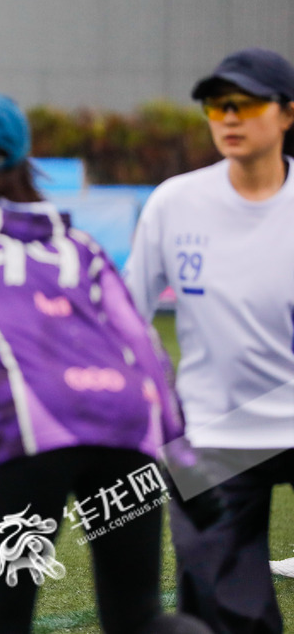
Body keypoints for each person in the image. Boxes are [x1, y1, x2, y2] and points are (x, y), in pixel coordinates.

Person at [0, 88, 211, 634]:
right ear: (26, 160)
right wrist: (186, 464)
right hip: (126, 429)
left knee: (3, 624)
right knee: (142, 617)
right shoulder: (77, 243)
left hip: (27, 433)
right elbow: (148, 353)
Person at [124, 47, 294, 632]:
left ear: (287, 114)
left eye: (244, 104)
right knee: (223, 613)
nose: (228, 117)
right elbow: (128, 311)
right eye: (216, 106)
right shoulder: (176, 202)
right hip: (210, 434)